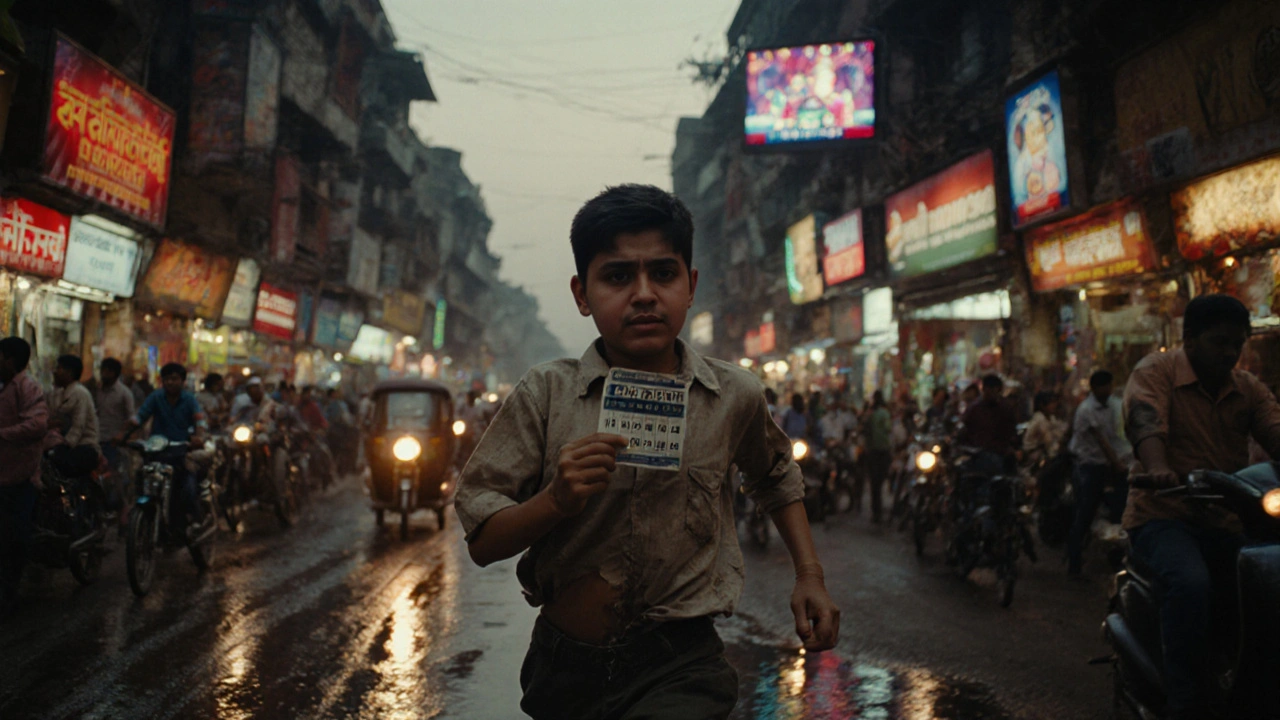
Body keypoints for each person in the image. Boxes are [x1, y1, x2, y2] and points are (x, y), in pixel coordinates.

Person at [455, 184, 838, 719]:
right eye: (617, 276)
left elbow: (776, 476)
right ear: (581, 294)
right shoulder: (545, 393)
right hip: (565, 665)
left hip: (681, 663)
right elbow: (482, 543)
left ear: (690, 285)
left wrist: (809, 576)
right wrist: (555, 501)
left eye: (663, 273)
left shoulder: (735, 395)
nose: (643, 294)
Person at [1123, 294, 1280, 719]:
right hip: (1163, 517)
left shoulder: (1246, 387)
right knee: (1191, 585)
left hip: (1228, 518)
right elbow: (1144, 420)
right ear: (1189, 339)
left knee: (1264, 586)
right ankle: (1185, 700)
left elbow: (1274, 427)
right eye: (1220, 343)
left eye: (1238, 344)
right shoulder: (1155, 372)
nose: (1231, 353)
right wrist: (1158, 468)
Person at [124, 363, 208, 537]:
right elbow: (140, 417)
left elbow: (199, 421)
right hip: (157, 451)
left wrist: (198, 437)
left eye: (174, 378)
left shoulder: (190, 400)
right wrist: (123, 434)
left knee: (187, 488)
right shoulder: (156, 397)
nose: (170, 382)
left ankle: (194, 519)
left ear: (183, 381)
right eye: (167, 379)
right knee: (141, 478)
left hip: (181, 452)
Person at [1066, 371, 1132, 575]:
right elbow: (1102, 440)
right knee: (1085, 513)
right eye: (1105, 386)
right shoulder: (1086, 409)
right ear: (1095, 388)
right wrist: (1118, 464)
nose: (1108, 390)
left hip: (1116, 465)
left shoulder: (1116, 404)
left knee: (1122, 512)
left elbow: (1121, 435)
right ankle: (1074, 564)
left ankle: (1120, 561)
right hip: (1091, 466)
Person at [0, 338, 48, 617]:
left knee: (12, 538)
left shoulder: (27, 387)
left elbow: (38, 424)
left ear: (10, 360)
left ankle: (9, 595)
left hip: (19, 477)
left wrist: (3, 434)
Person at [48, 354, 101, 476]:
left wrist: (63, 445)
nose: (55, 372)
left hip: (83, 447)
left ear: (69, 372)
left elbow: (78, 426)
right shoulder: (58, 393)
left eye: (59, 368)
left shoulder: (80, 393)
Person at [957, 374, 1018, 475]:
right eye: (991, 390)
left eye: (996, 390)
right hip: (977, 453)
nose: (994, 394)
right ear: (984, 389)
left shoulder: (1005, 409)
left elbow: (1011, 431)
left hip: (999, 454)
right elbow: (963, 429)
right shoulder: (974, 409)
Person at [95, 358, 135, 511]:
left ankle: (120, 511)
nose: (104, 374)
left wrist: (121, 435)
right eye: (103, 370)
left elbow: (131, 419)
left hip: (113, 443)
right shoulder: (96, 390)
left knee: (114, 479)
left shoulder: (124, 393)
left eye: (108, 371)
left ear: (115, 374)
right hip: (96, 440)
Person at [859, 390, 892, 523]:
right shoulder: (884, 413)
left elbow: (865, 430)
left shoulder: (871, 414)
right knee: (879, 481)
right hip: (883, 451)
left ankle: (876, 511)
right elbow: (888, 430)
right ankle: (877, 511)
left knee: (875, 483)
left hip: (873, 451)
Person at [1023, 390, 1066, 467]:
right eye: (1051, 403)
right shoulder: (1039, 419)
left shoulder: (1052, 418)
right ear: (1042, 405)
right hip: (1036, 456)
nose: (1054, 405)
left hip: (1049, 453)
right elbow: (1047, 440)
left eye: (1054, 402)